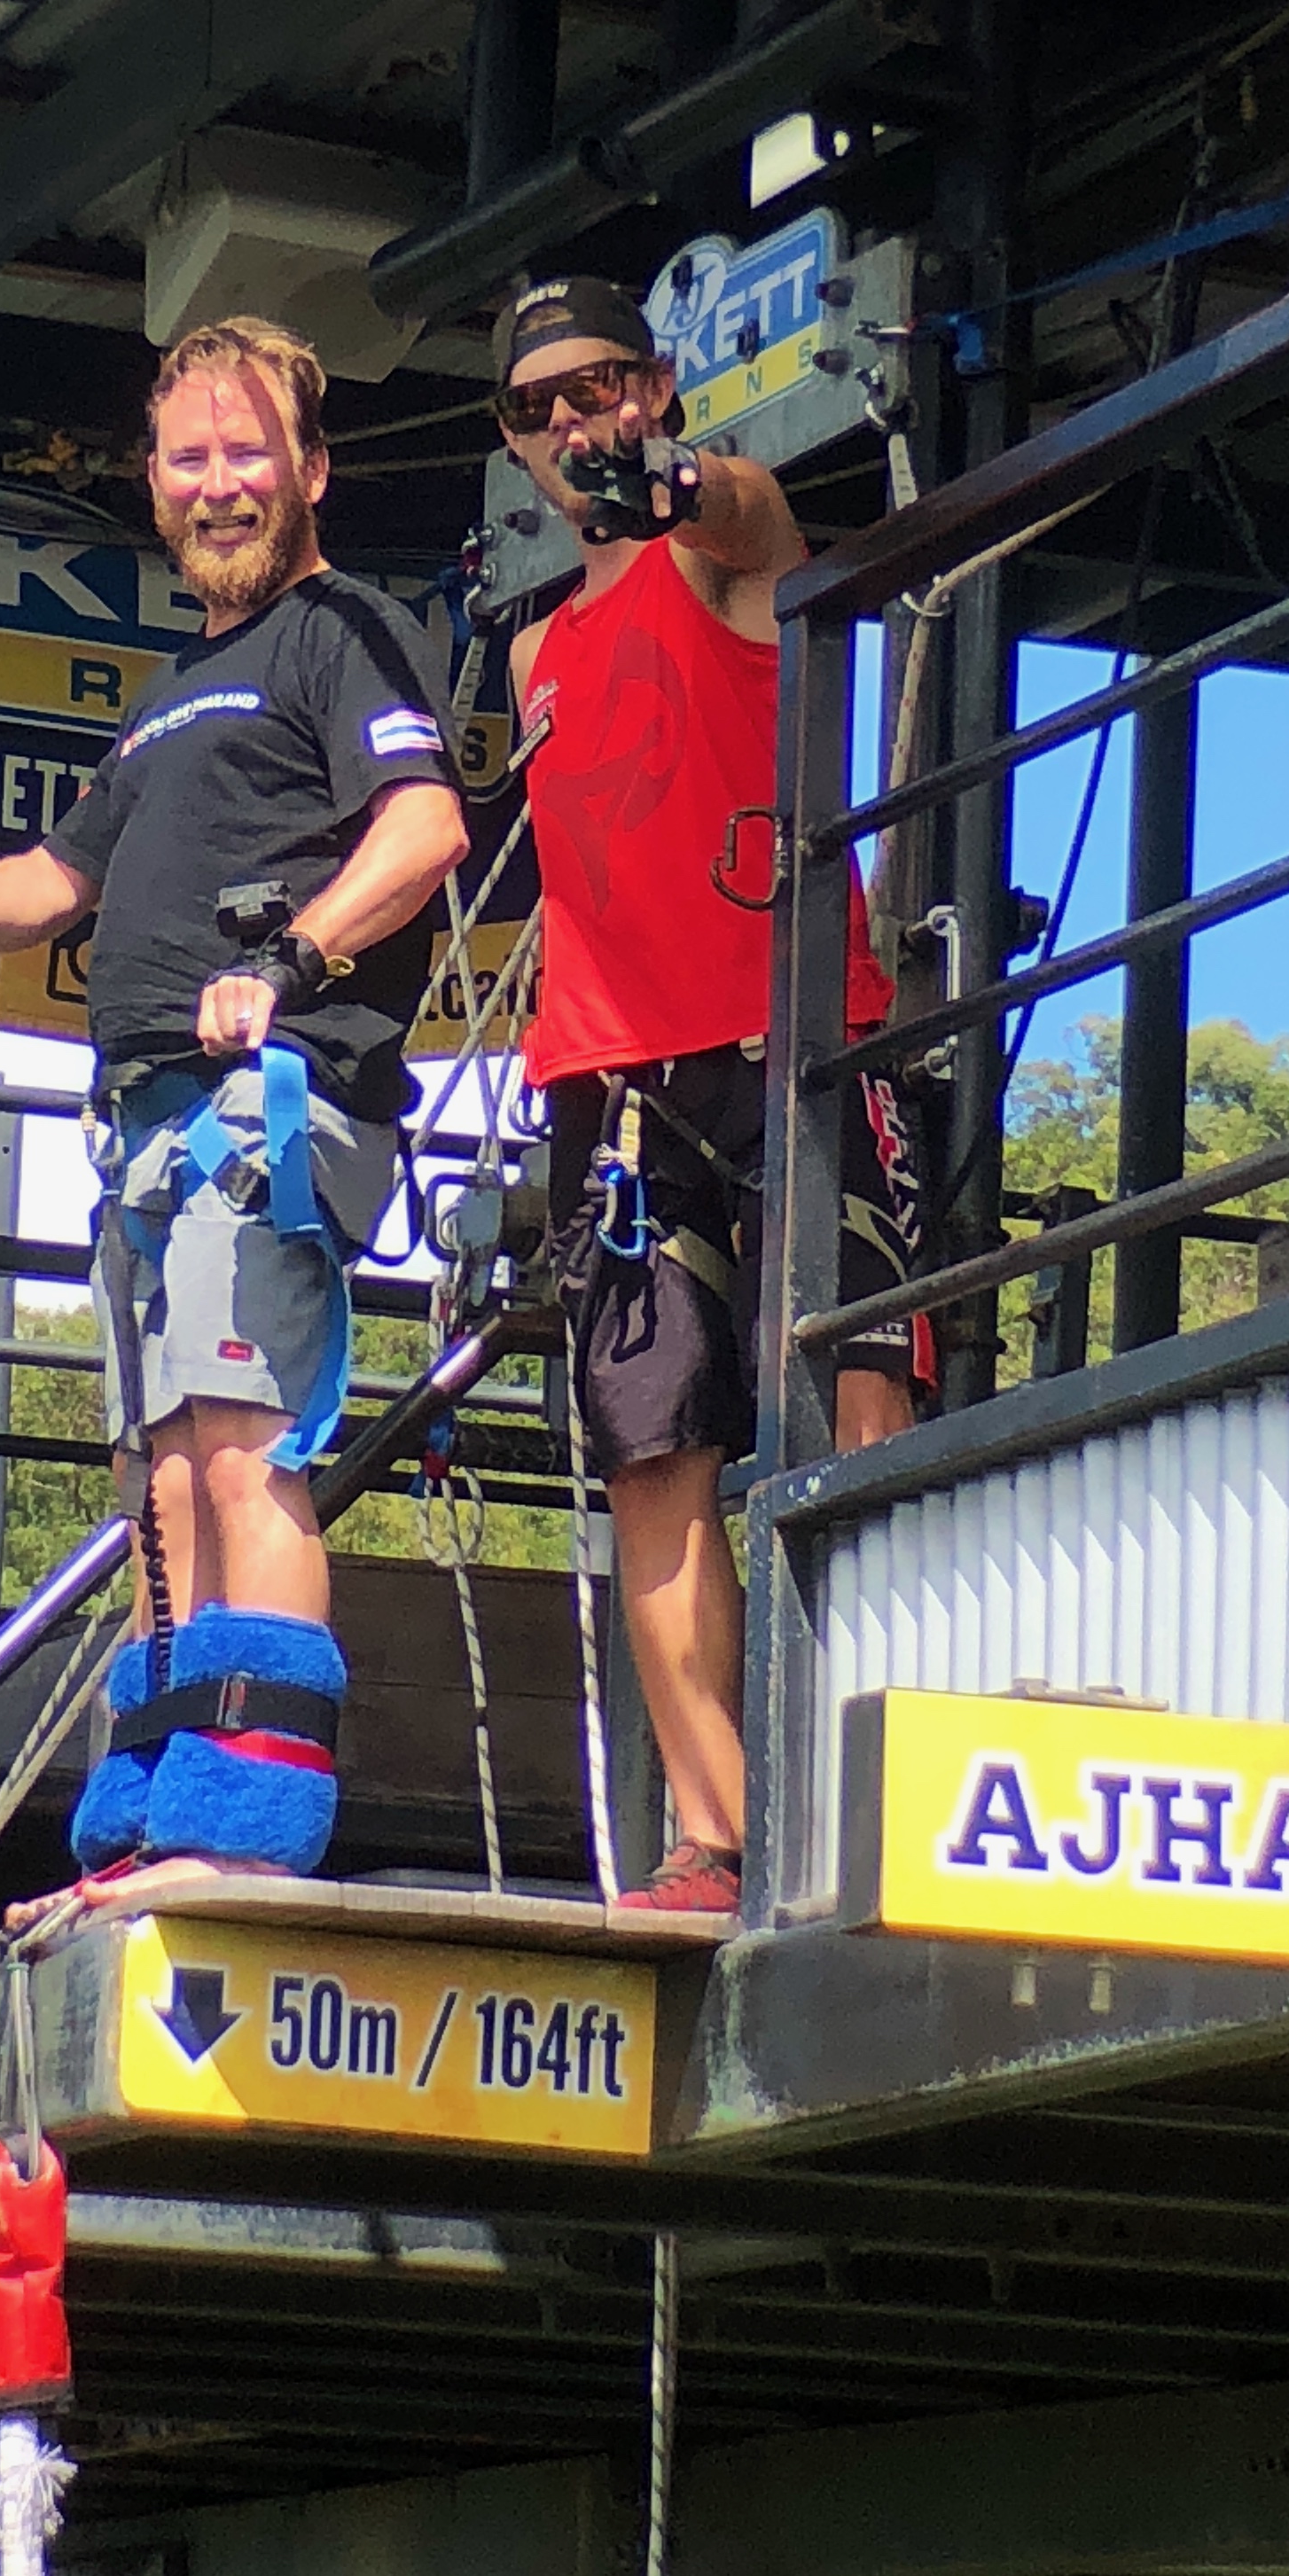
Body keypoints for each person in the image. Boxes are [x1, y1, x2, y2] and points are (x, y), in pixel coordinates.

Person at [0, 314, 467, 1890]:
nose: (221, 485)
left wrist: (296, 963)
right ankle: (170, 1778)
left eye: (251, 454)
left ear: (311, 472)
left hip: (267, 1106)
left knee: (245, 1445)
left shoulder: (343, 631)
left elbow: (430, 825)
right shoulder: (172, 693)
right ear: (156, 486)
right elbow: (56, 878)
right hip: (152, 1128)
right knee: (162, 1467)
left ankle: (256, 1804)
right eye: (192, 459)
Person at [496, 271, 930, 1918]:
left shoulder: (711, 548)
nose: (570, 423)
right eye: (535, 406)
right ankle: (718, 1830)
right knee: (650, 1454)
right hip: (613, 1078)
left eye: (597, 386)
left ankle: (869, 1781)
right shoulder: (537, 642)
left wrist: (677, 481)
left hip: (794, 1040)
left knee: (857, 1389)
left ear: (658, 385)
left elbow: (761, 521)